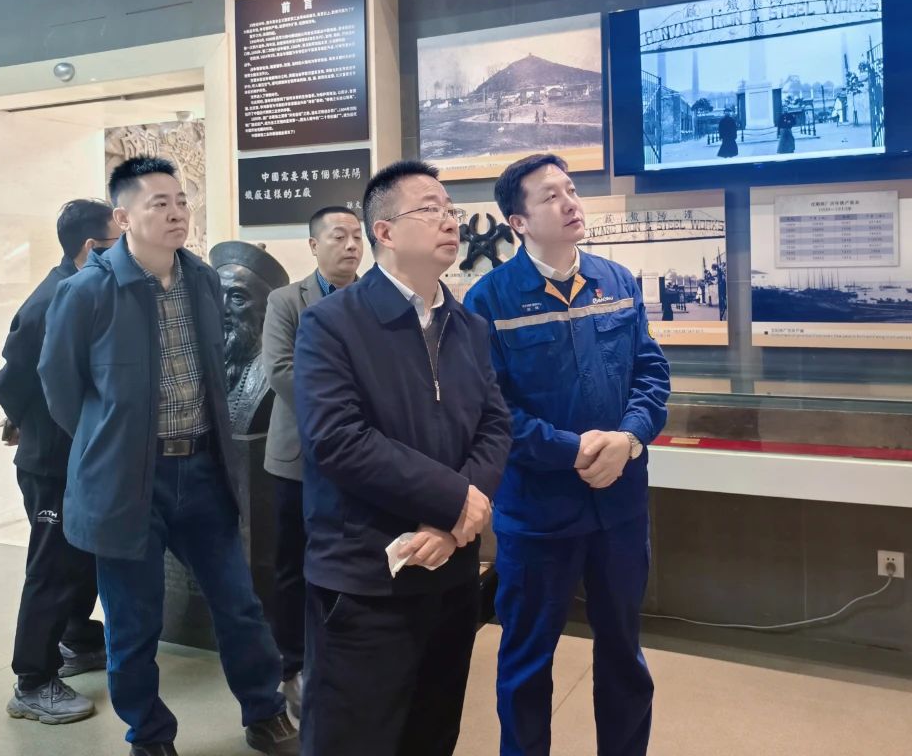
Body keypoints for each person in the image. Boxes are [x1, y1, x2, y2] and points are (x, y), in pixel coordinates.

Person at [38, 156, 297, 756]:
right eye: (160, 203)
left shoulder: (203, 280)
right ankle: (149, 732)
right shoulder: (87, 292)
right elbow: (60, 386)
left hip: (203, 470)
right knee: (134, 619)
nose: (177, 213)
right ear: (124, 217)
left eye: (182, 201)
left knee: (239, 604)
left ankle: (264, 711)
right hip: (128, 479)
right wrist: (111, 439)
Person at [293, 160, 512, 756]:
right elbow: (337, 438)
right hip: (367, 575)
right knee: (353, 738)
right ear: (384, 231)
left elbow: (495, 425)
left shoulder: (468, 325)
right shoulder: (331, 324)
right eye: (430, 209)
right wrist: (454, 500)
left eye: (451, 210)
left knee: (432, 732)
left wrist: (455, 518)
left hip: (451, 570)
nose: (450, 221)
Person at [463, 153, 671, 756]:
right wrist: (573, 449)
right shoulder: (489, 301)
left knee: (624, 653)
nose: (570, 202)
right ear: (518, 221)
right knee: (526, 661)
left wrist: (629, 438)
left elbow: (652, 373)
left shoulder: (617, 281)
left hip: (620, 507)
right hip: (537, 515)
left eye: (571, 190)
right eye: (550, 196)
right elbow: (492, 410)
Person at [0, 198, 120, 725]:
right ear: (91, 248)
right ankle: (32, 680)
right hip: (49, 462)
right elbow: (11, 376)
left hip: (76, 453)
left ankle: (77, 637)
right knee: (51, 567)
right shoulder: (51, 301)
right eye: (116, 244)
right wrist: (22, 418)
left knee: (80, 554)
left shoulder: (84, 289)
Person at [261, 205, 364, 718]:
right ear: (313, 245)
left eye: (357, 236)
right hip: (299, 458)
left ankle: (345, 656)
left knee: (350, 561)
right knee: (291, 567)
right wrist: (346, 409)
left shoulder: (375, 297)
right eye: (339, 236)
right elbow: (281, 370)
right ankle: (292, 665)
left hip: (362, 460)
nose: (351, 245)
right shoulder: (286, 300)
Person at [209, 241, 291, 435]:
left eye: (237, 298)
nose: (223, 308)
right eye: (217, 295)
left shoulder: (274, 371)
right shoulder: (202, 362)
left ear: (266, 310)